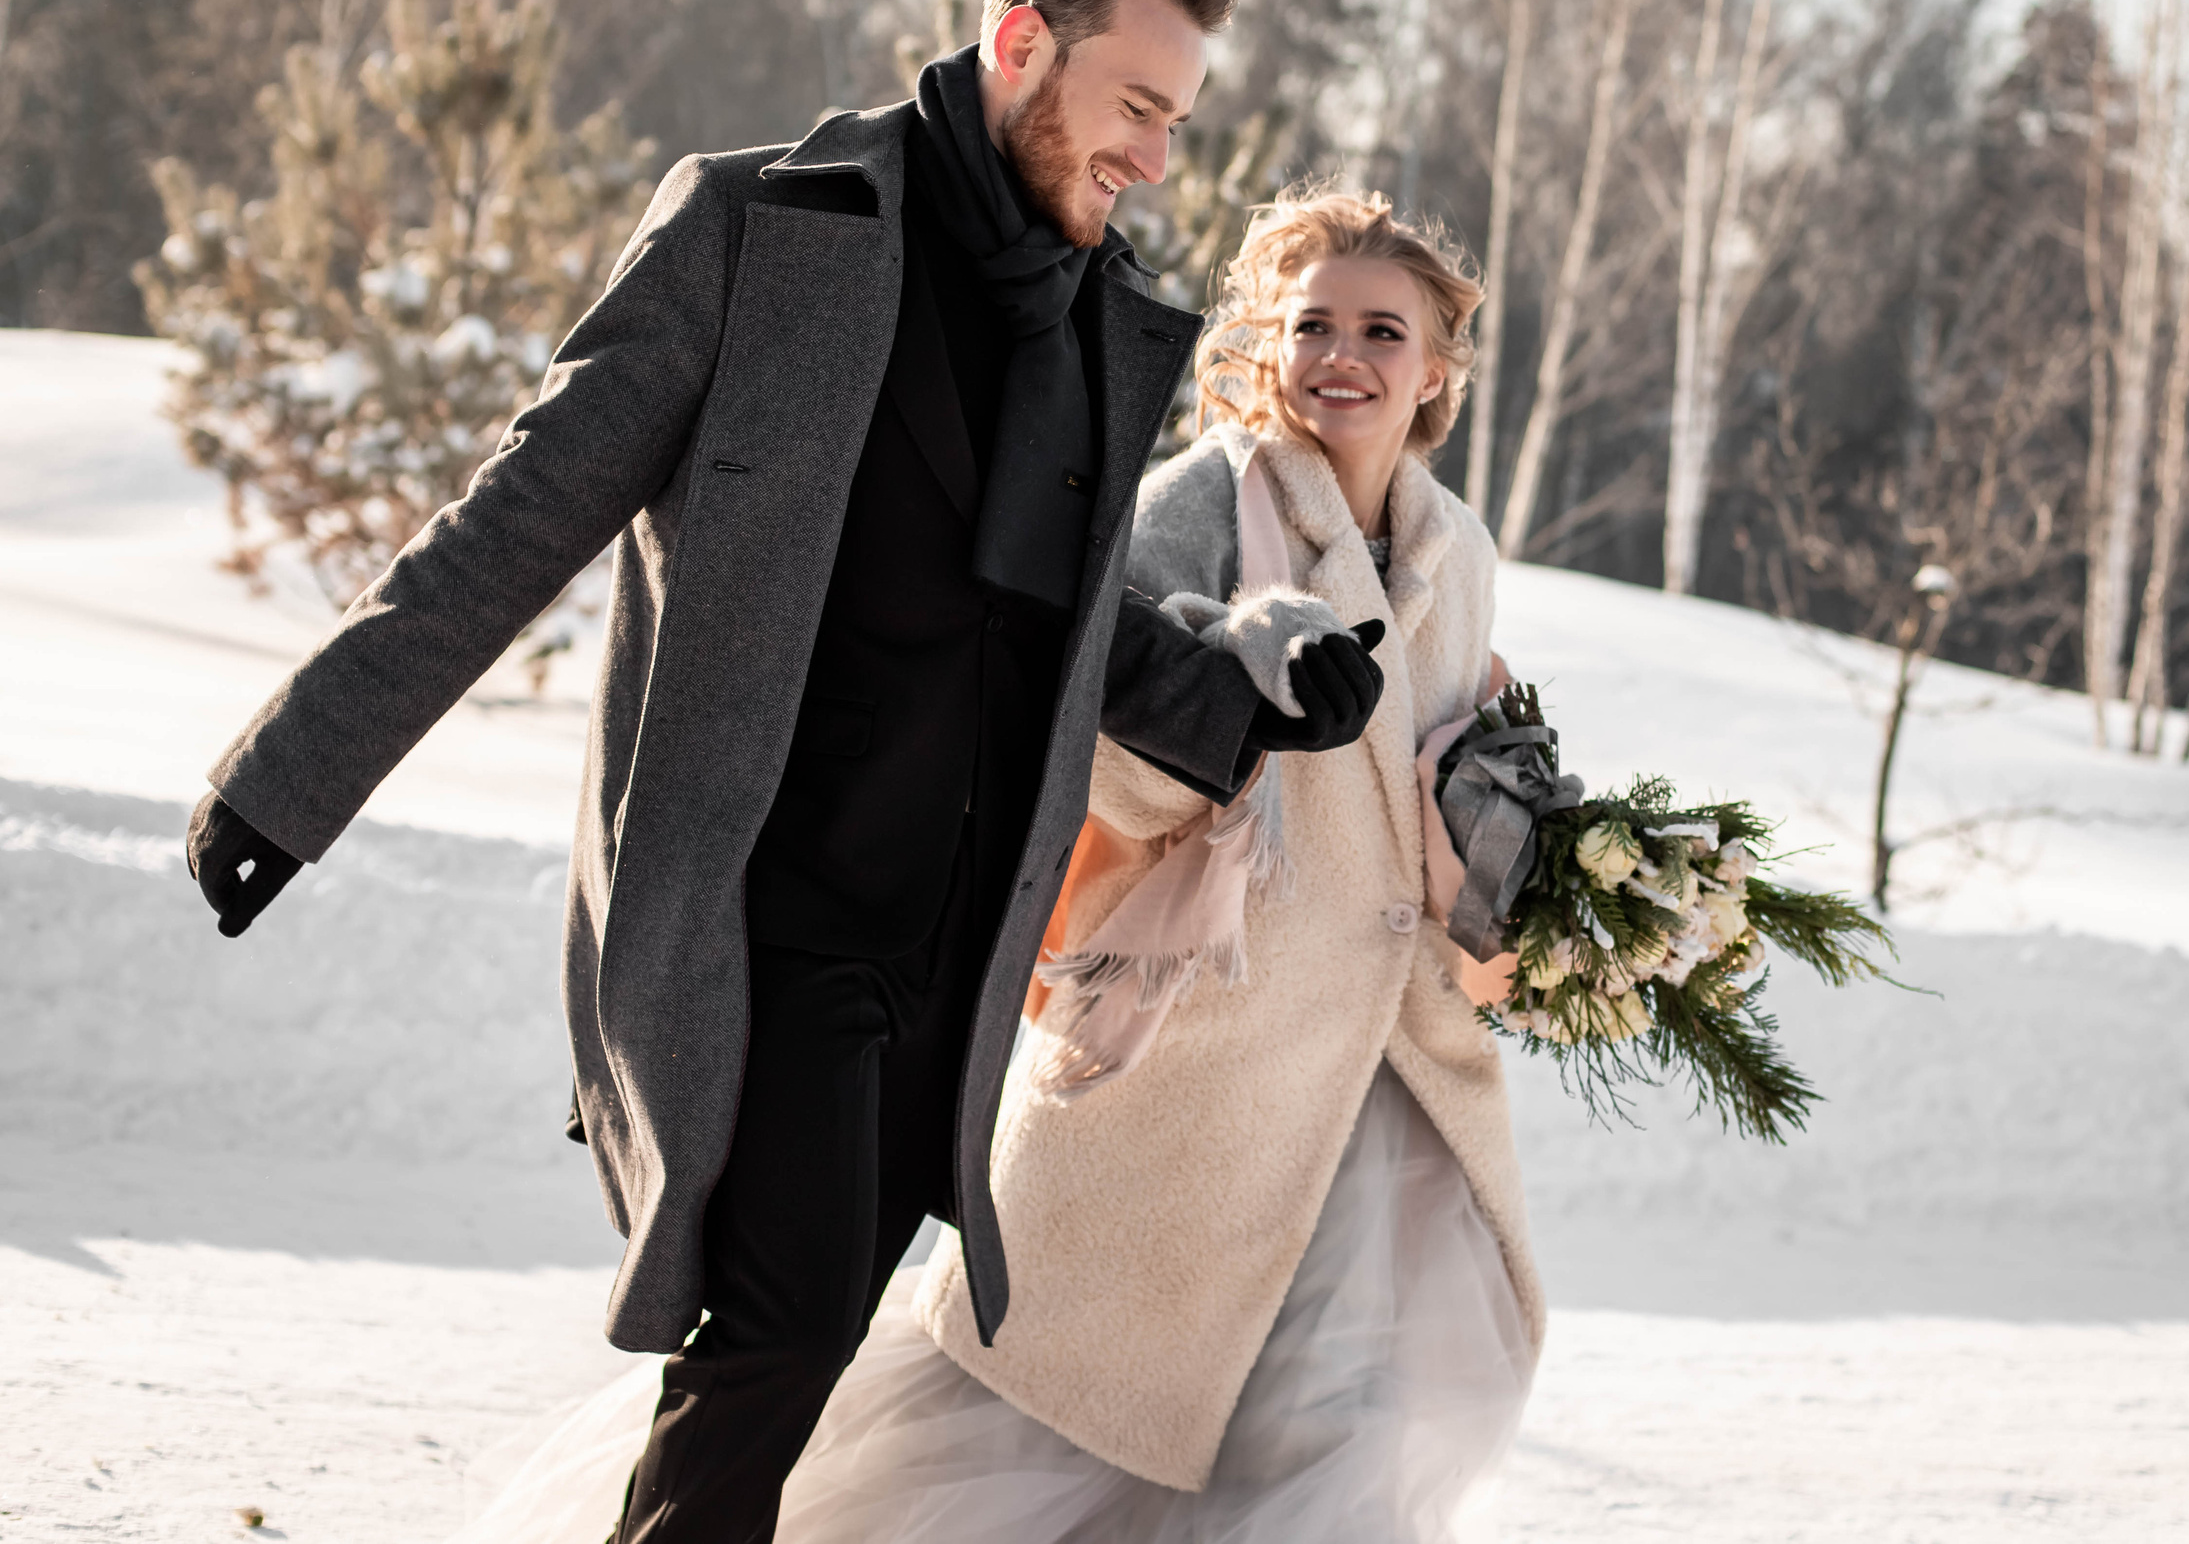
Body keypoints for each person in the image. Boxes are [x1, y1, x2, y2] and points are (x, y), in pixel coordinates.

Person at [180, 0, 1387, 1544]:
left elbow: (1064, 622)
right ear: (1020, 45)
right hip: (768, 927)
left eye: (1176, 121)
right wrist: (287, 777)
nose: (1158, 160)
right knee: (781, 1332)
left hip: (955, 953)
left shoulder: (1090, 320)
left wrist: (1248, 701)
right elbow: (521, 512)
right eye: (1137, 107)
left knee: (765, 1372)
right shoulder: (761, 232)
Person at [457, 186, 1541, 1543]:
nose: (1344, 356)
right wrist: (1234, 685)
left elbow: (1448, 762)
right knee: (1054, 1430)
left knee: (1380, 1406)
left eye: (1383, 331)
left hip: (1388, 1064)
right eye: (1313, 323)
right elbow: (1079, 738)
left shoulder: (1457, 548)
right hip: (1200, 1066)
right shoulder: (1196, 506)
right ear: (1268, 342)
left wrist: (1543, 855)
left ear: (1436, 368)